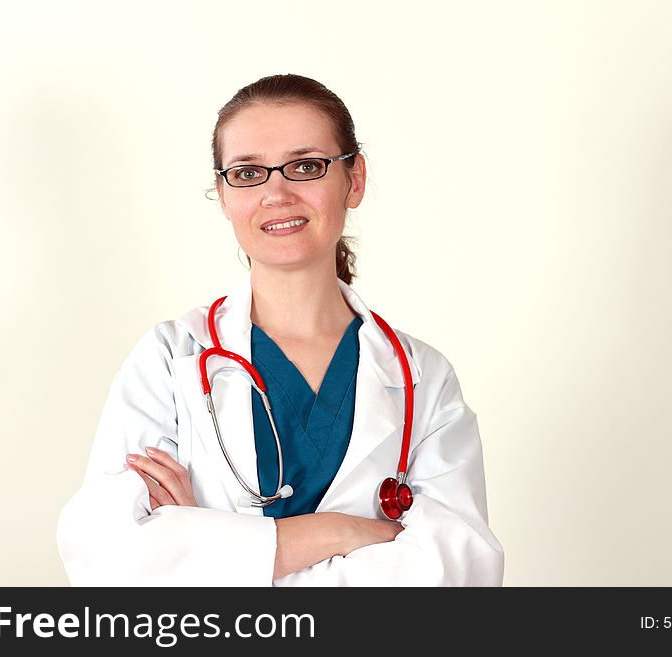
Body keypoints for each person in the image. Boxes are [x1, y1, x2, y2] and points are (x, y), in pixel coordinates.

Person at [56, 73, 504, 586]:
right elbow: (112, 563)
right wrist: (342, 532)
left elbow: (459, 572)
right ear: (224, 196)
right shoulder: (171, 358)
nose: (277, 193)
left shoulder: (422, 377)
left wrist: (207, 545)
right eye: (247, 174)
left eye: (306, 166)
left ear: (354, 180)